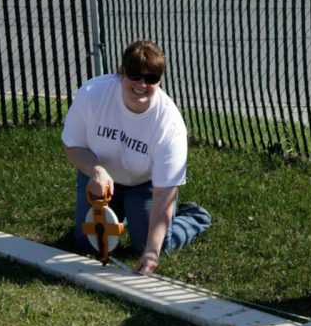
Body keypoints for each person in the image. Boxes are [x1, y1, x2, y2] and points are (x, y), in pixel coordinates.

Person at [61, 39, 211, 275]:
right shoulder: (93, 94)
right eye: (134, 74)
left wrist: (152, 251)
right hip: (98, 177)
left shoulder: (169, 124)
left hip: (145, 185)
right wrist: (97, 171)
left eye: (151, 78)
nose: (142, 84)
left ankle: (193, 216)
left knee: (152, 245)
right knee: (85, 242)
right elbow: (72, 146)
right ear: (121, 72)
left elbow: (164, 192)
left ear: (159, 81)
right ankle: (129, 214)